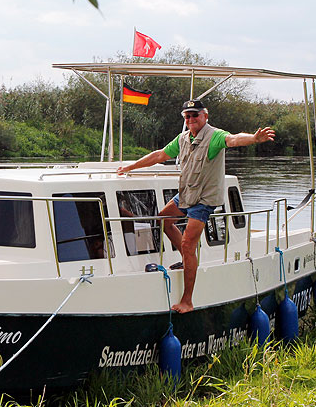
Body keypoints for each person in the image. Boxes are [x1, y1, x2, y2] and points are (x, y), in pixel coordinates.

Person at [116, 99, 275, 313]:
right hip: (186, 194)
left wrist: (254, 138)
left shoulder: (214, 136)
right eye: (187, 116)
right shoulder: (183, 138)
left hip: (203, 200)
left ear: (205, 116)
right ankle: (186, 260)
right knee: (163, 221)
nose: (191, 119)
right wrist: (130, 167)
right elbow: (159, 155)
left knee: (189, 245)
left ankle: (187, 300)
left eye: (195, 115)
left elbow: (234, 139)